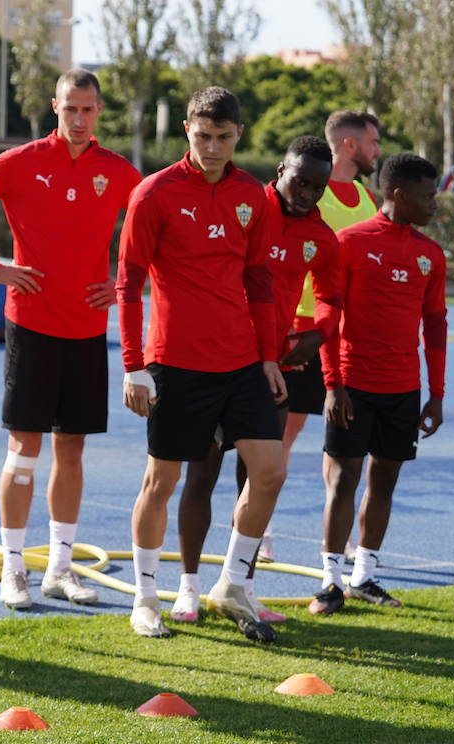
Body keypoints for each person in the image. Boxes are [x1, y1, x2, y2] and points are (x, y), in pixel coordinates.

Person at [0, 68, 140, 610]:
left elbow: (153, 225)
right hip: (30, 324)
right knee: (24, 449)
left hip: (86, 328)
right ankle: (14, 571)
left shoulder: (118, 171)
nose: (79, 119)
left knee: (71, 452)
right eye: (69, 109)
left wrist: (125, 281)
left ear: (99, 111)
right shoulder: (18, 162)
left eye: (88, 109)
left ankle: (60, 568)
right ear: (55, 107)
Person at [116, 86, 285, 643]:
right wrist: (133, 365)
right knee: (160, 482)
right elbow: (129, 284)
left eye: (223, 136)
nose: (212, 147)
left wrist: (268, 356)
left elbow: (259, 279)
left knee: (270, 470)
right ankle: (145, 600)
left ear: (239, 134)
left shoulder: (251, 196)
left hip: (240, 362)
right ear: (187, 130)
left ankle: (232, 584)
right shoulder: (153, 193)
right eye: (203, 135)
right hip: (174, 363)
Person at [171, 135, 343, 625]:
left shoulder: (322, 237)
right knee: (201, 474)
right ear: (280, 168)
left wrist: (319, 334)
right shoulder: (244, 207)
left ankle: (239, 586)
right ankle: (187, 589)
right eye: (300, 180)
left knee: (259, 479)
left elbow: (332, 295)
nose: (308, 193)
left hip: (272, 369)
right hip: (215, 358)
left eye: (318, 187)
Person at [308, 152, 446, 615]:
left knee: (385, 479)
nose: (434, 205)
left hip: (403, 389)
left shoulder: (430, 255)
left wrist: (437, 395)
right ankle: (330, 581)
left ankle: (364, 575)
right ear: (398, 195)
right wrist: (332, 385)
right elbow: (328, 316)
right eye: (427, 197)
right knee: (344, 478)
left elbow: (436, 327)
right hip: (352, 384)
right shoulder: (348, 242)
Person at [273, 111, 382, 561]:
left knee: (339, 438)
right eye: (374, 141)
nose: (379, 149)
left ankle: (332, 541)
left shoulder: (365, 198)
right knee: (282, 434)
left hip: (342, 335)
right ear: (351, 145)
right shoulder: (306, 194)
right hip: (299, 329)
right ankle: (258, 527)